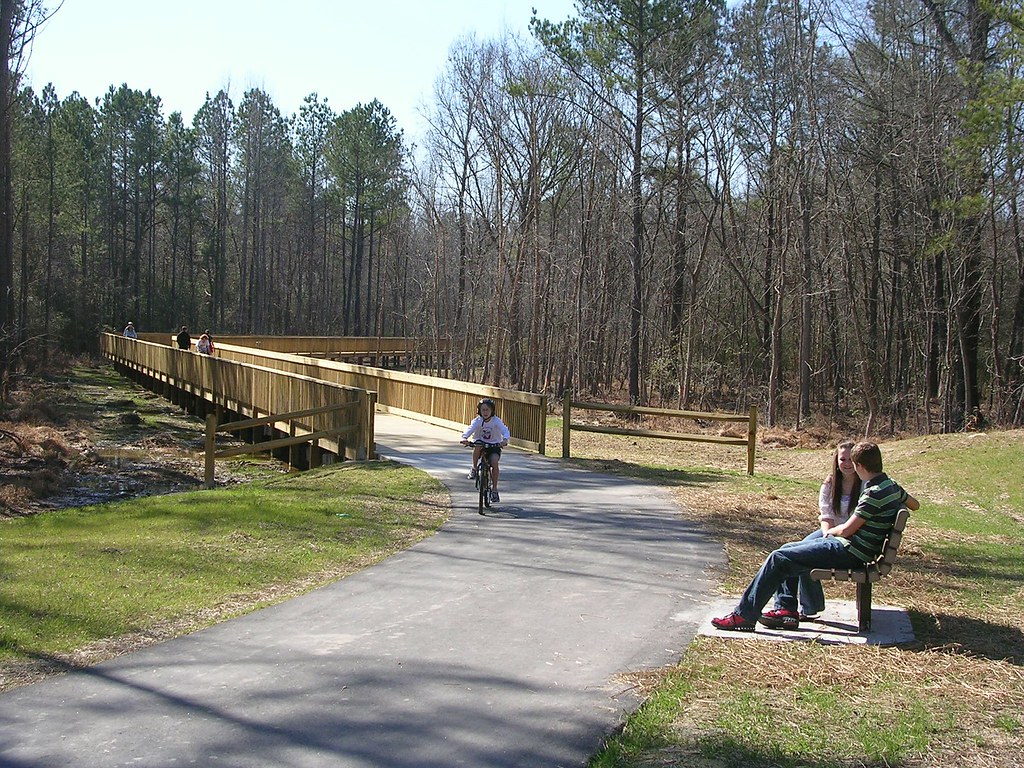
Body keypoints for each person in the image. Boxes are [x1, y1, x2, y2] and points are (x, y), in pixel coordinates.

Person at [711, 441, 919, 632]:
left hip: (850, 550)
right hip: (859, 549)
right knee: (787, 549)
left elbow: (847, 530)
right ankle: (785, 611)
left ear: (860, 466)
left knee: (779, 557)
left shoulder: (872, 493)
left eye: (854, 464)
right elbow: (915, 505)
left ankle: (744, 616)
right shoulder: (891, 486)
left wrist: (831, 532)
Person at [783, 441, 863, 623]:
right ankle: (786, 609)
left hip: (852, 536)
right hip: (830, 531)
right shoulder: (830, 484)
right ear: (836, 460)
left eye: (851, 459)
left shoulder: (865, 485)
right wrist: (827, 536)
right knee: (792, 550)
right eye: (843, 459)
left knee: (802, 555)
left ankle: (809, 607)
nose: (847, 464)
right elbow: (826, 516)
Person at [460, 397, 510, 503]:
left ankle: (494, 489)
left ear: (492, 411)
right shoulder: (478, 421)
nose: (485, 412)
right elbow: (470, 429)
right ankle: (474, 468)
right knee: (477, 446)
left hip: (494, 445)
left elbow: (504, 430)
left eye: (487, 410)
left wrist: (505, 439)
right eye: (483, 410)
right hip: (481, 444)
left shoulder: (496, 421)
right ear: (479, 411)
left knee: (494, 462)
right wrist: (465, 437)